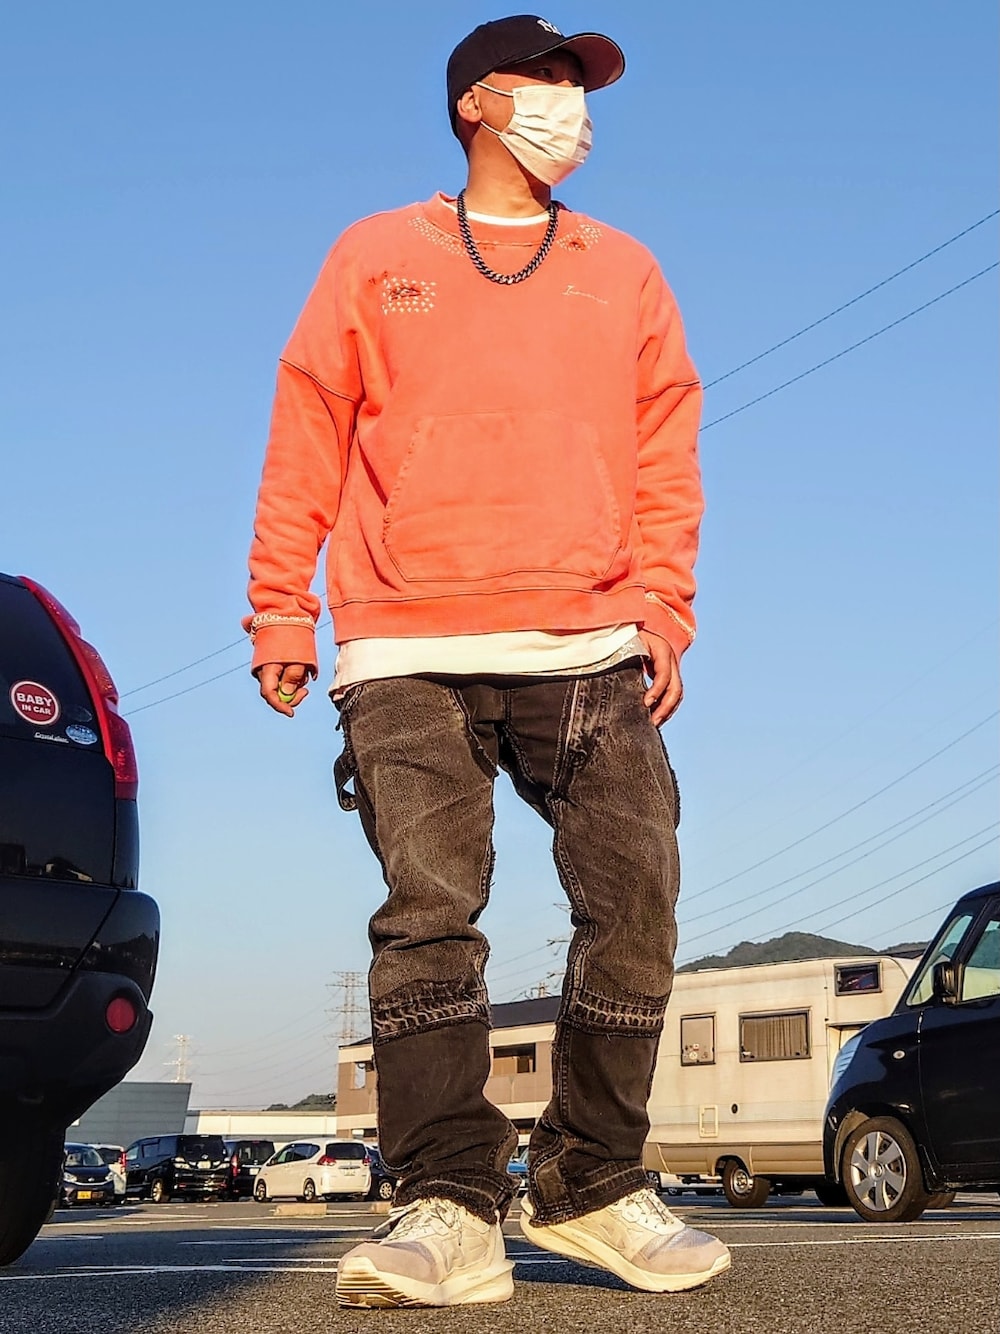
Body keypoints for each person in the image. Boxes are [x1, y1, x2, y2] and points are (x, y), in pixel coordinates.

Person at [244, 13, 730, 1309]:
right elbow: (308, 424)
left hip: (590, 639)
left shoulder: (624, 269)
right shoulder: (376, 255)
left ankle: (591, 1181)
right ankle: (449, 1207)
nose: (575, 103)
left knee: (636, 895)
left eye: (585, 85)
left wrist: (664, 606)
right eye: (551, 79)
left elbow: (668, 443)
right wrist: (280, 611)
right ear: (478, 102)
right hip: (406, 641)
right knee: (430, 913)